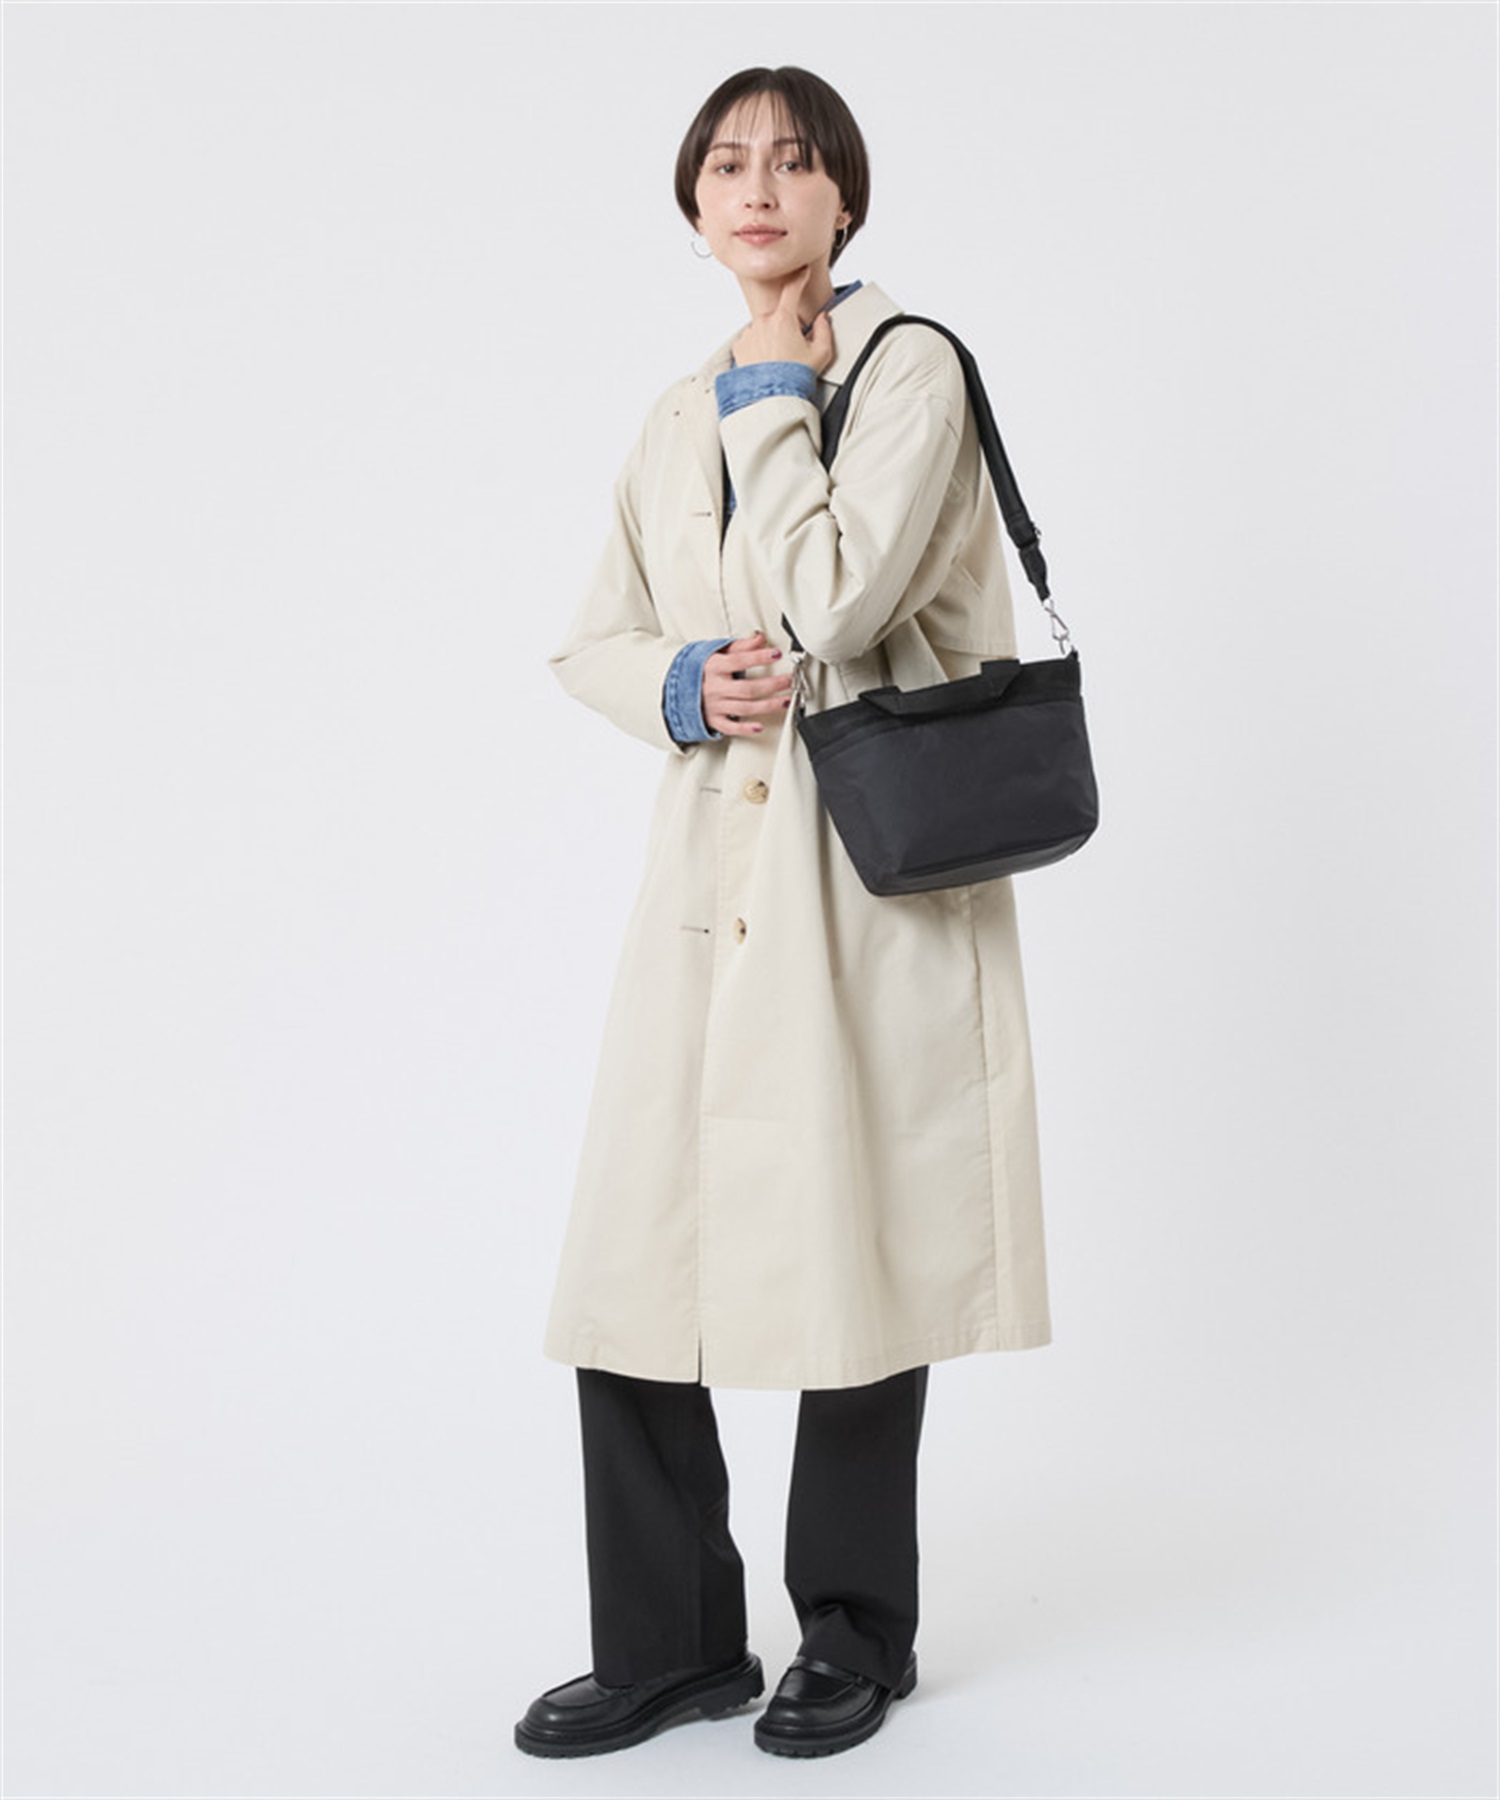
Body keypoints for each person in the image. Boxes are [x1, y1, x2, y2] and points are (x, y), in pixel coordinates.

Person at [514, 65, 1051, 1762]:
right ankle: (670, 1643)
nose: (759, 187)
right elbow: (593, 635)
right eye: (727, 164)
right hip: (709, 878)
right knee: (633, 1255)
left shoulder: (907, 369)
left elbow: (836, 597)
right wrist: (683, 682)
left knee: (855, 1243)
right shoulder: (673, 413)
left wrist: (773, 390)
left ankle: (854, 1633)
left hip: (862, 873)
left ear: (845, 199)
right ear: (694, 207)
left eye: (796, 161)